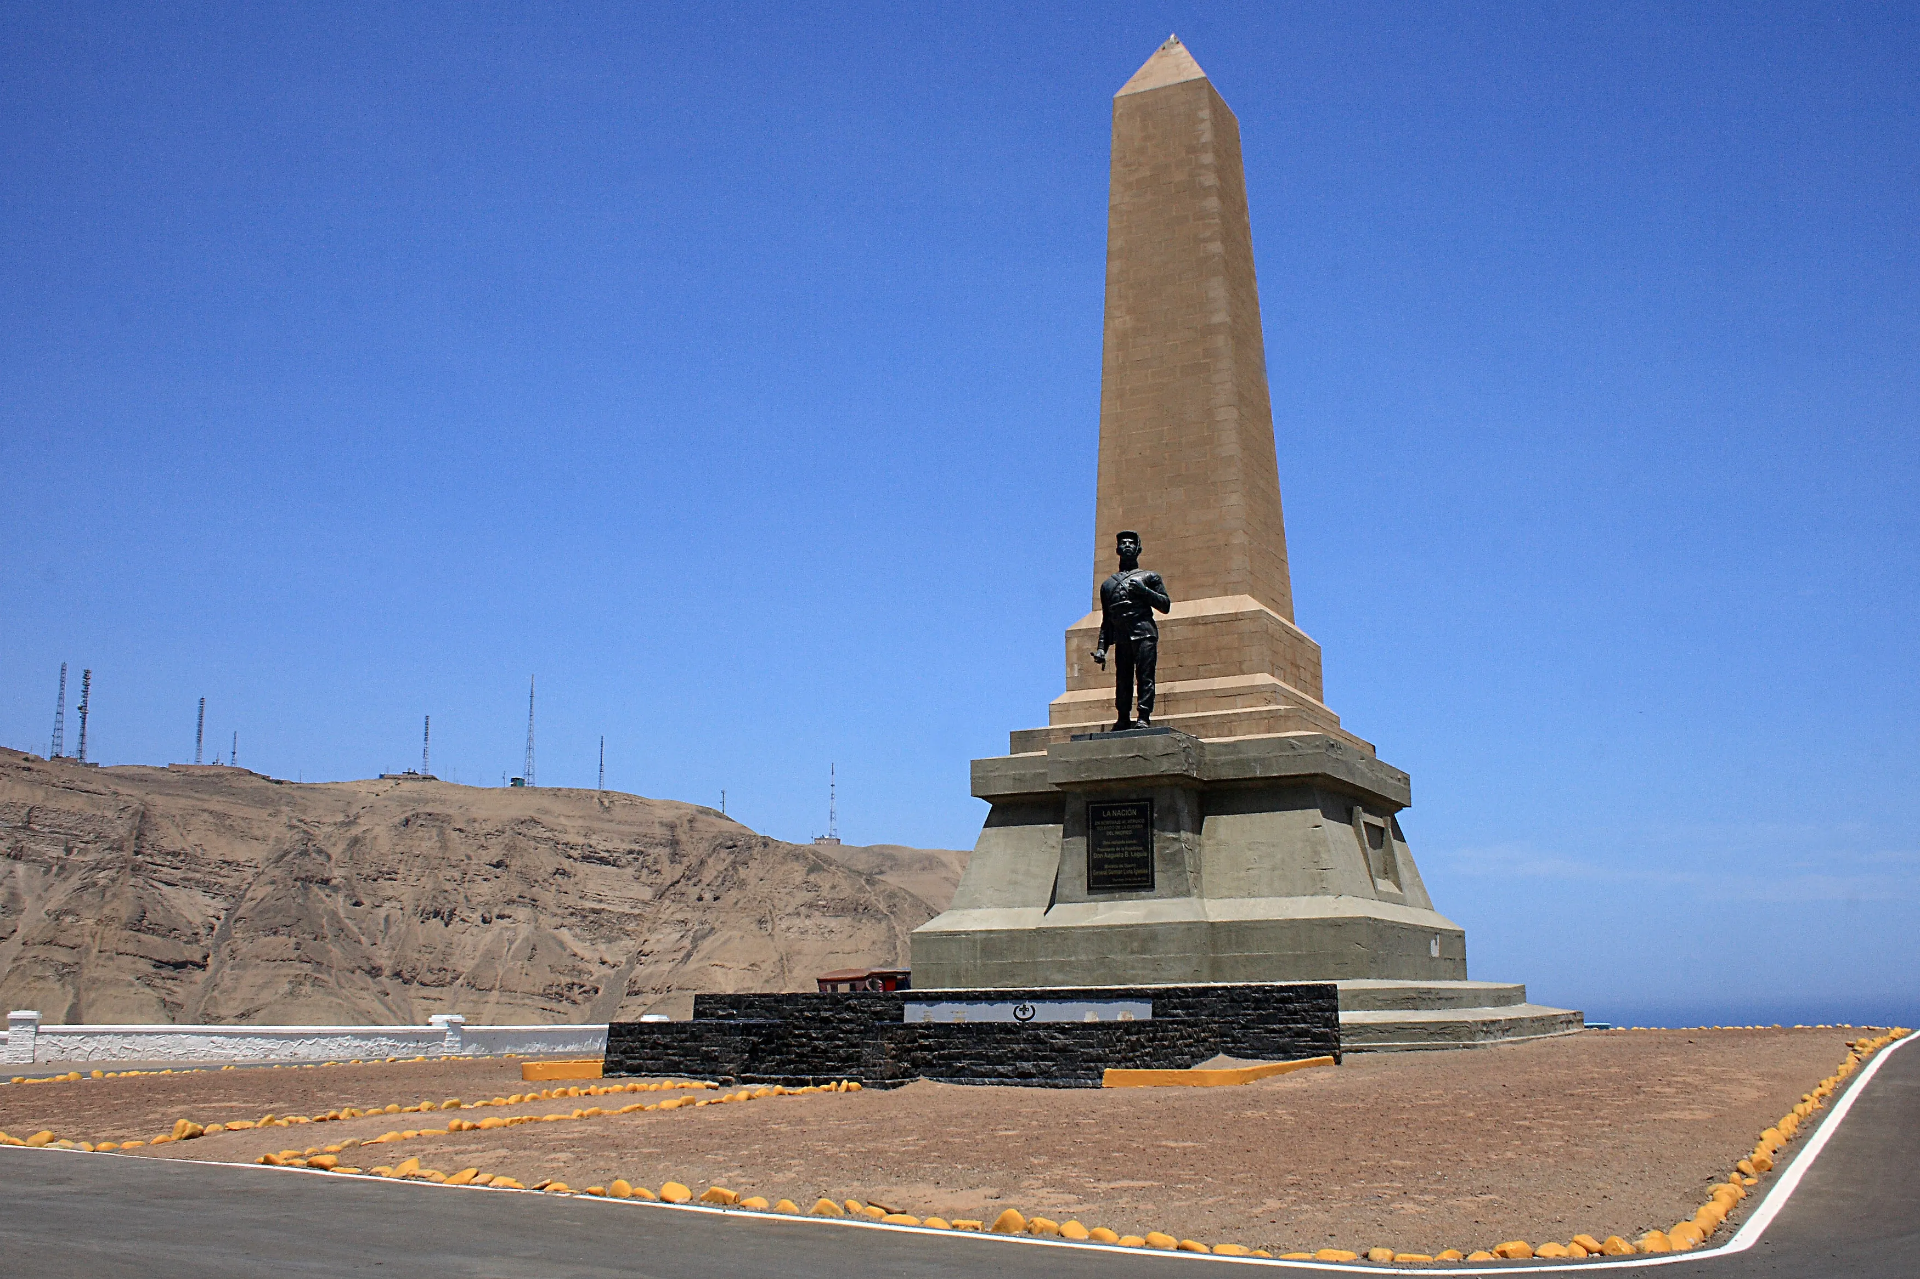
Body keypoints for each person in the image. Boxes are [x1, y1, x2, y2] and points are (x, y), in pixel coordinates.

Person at [1092, 530, 1171, 730]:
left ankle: (1143, 716)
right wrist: (1102, 648)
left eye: (1131, 543)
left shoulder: (1150, 577)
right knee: (1123, 679)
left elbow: (1165, 605)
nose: (1127, 546)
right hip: (1122, 636)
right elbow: (1107, 619)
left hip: (1144, 632)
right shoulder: (1108, 585)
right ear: (1117, 549)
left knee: (1145, 677)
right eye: (1123, 543)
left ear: (1138, 549)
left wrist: (1144, 592)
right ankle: (1123, 717)